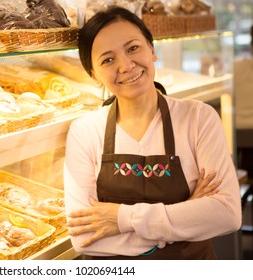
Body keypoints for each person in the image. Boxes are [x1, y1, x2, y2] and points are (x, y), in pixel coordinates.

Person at [63, 5, 242, 259]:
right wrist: (186, 214)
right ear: (94, 75)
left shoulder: (199, 118)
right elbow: (84, 239)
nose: (125, 65)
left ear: (152, 50)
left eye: (133, 48)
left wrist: (121, 218)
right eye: (108, 59)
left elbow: (227, 214)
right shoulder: (85, 131)